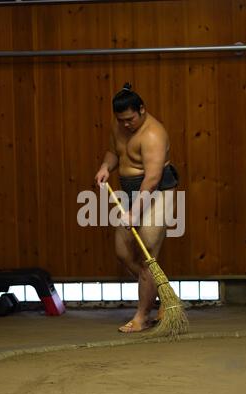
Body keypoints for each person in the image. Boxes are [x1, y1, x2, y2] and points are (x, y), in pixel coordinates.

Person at [95, 83, 179, 333]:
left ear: (142, 110)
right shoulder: (119, 125)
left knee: (147, 255)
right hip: (130, 191)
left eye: (130, 119)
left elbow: (151, 180)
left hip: (156, 192)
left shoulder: (153, 134)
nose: (126, 125)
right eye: (121, 120)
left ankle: (142, 316)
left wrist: (134, 212)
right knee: (122, 251)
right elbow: (114, 151)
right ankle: (162, 292)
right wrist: (104, 167)